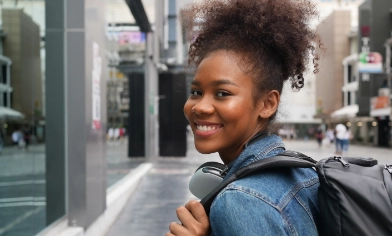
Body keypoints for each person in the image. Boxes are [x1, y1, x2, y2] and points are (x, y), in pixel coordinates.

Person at [167, 0, 321, 235]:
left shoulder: (240, 201)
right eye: (196, 92)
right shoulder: (303, 172)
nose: (200, 107)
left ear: (267, 104)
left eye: (222, 93)